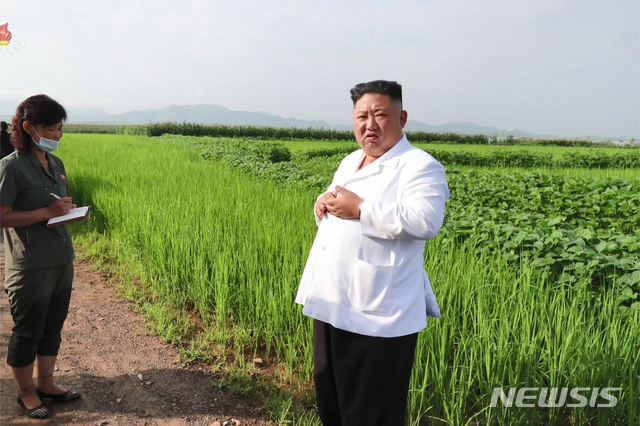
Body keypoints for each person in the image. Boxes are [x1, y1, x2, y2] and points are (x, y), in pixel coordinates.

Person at [295, 80, 449, 425]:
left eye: (381, 115)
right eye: (362, 116)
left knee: (371, 414)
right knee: (333, 405)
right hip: (332, 301)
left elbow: (425, 221)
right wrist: (322, 203)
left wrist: (362, 208)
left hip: (379, 313)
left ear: (402, 117)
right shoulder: (351, 161)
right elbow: (339, 205)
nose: (370, 124)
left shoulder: (419, 166)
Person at [0, 95, 80, 419]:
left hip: (61, 258)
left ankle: (46, 383)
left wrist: (65, 211)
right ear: (29, 127)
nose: (58, 135)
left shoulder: (56, 164)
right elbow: (2, 215)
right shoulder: (11, 167)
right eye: (51, 128)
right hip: (31, 264)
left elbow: (53, 207)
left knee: (53, 326)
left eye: (61, 128)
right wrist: (47, 211)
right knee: (28, 330)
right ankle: (26, 392)